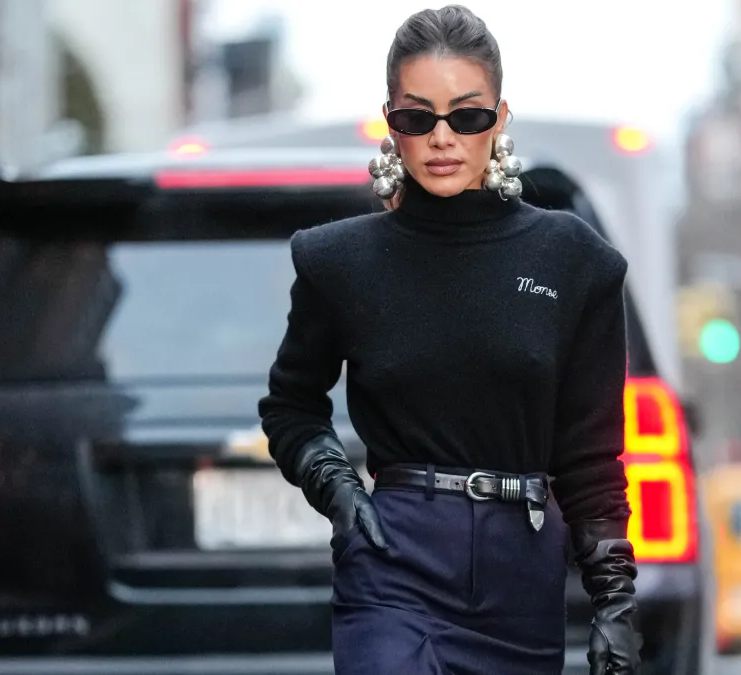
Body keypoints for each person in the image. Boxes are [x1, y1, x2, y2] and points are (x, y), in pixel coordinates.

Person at [258, 6, 641, 674]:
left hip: (520, 576)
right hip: (394, 561)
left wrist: (615, 605)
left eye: (466, 115)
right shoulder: (339, 261)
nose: (442, 137)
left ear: (499, 119)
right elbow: (290, 405)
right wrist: (338, 488)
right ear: (390, 123)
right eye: (417, 117)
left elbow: (590, 457)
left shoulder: (572, 260)